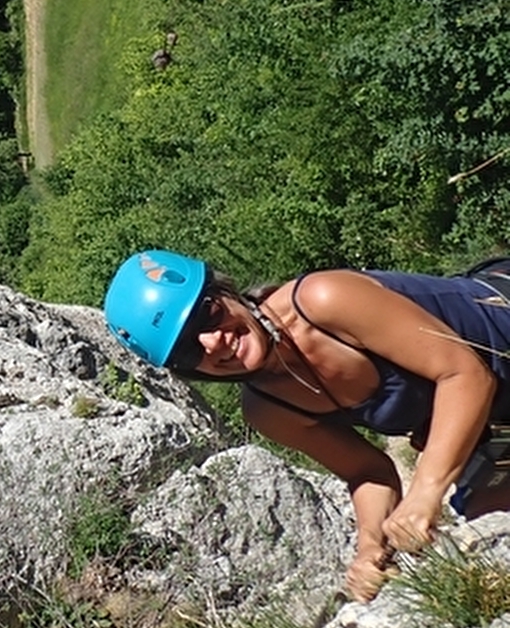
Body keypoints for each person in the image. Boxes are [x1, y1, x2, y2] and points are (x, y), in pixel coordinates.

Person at [102, 249, 510, 601]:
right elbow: (367, 471)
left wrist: (426, 493)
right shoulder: (271, 409)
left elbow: (464, 376)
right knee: (490, 538)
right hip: (495, 421)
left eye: (206, 314)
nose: (213, 343)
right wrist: (370, 546)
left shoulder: (321, 301)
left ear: (224, 291)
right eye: (188, 351)